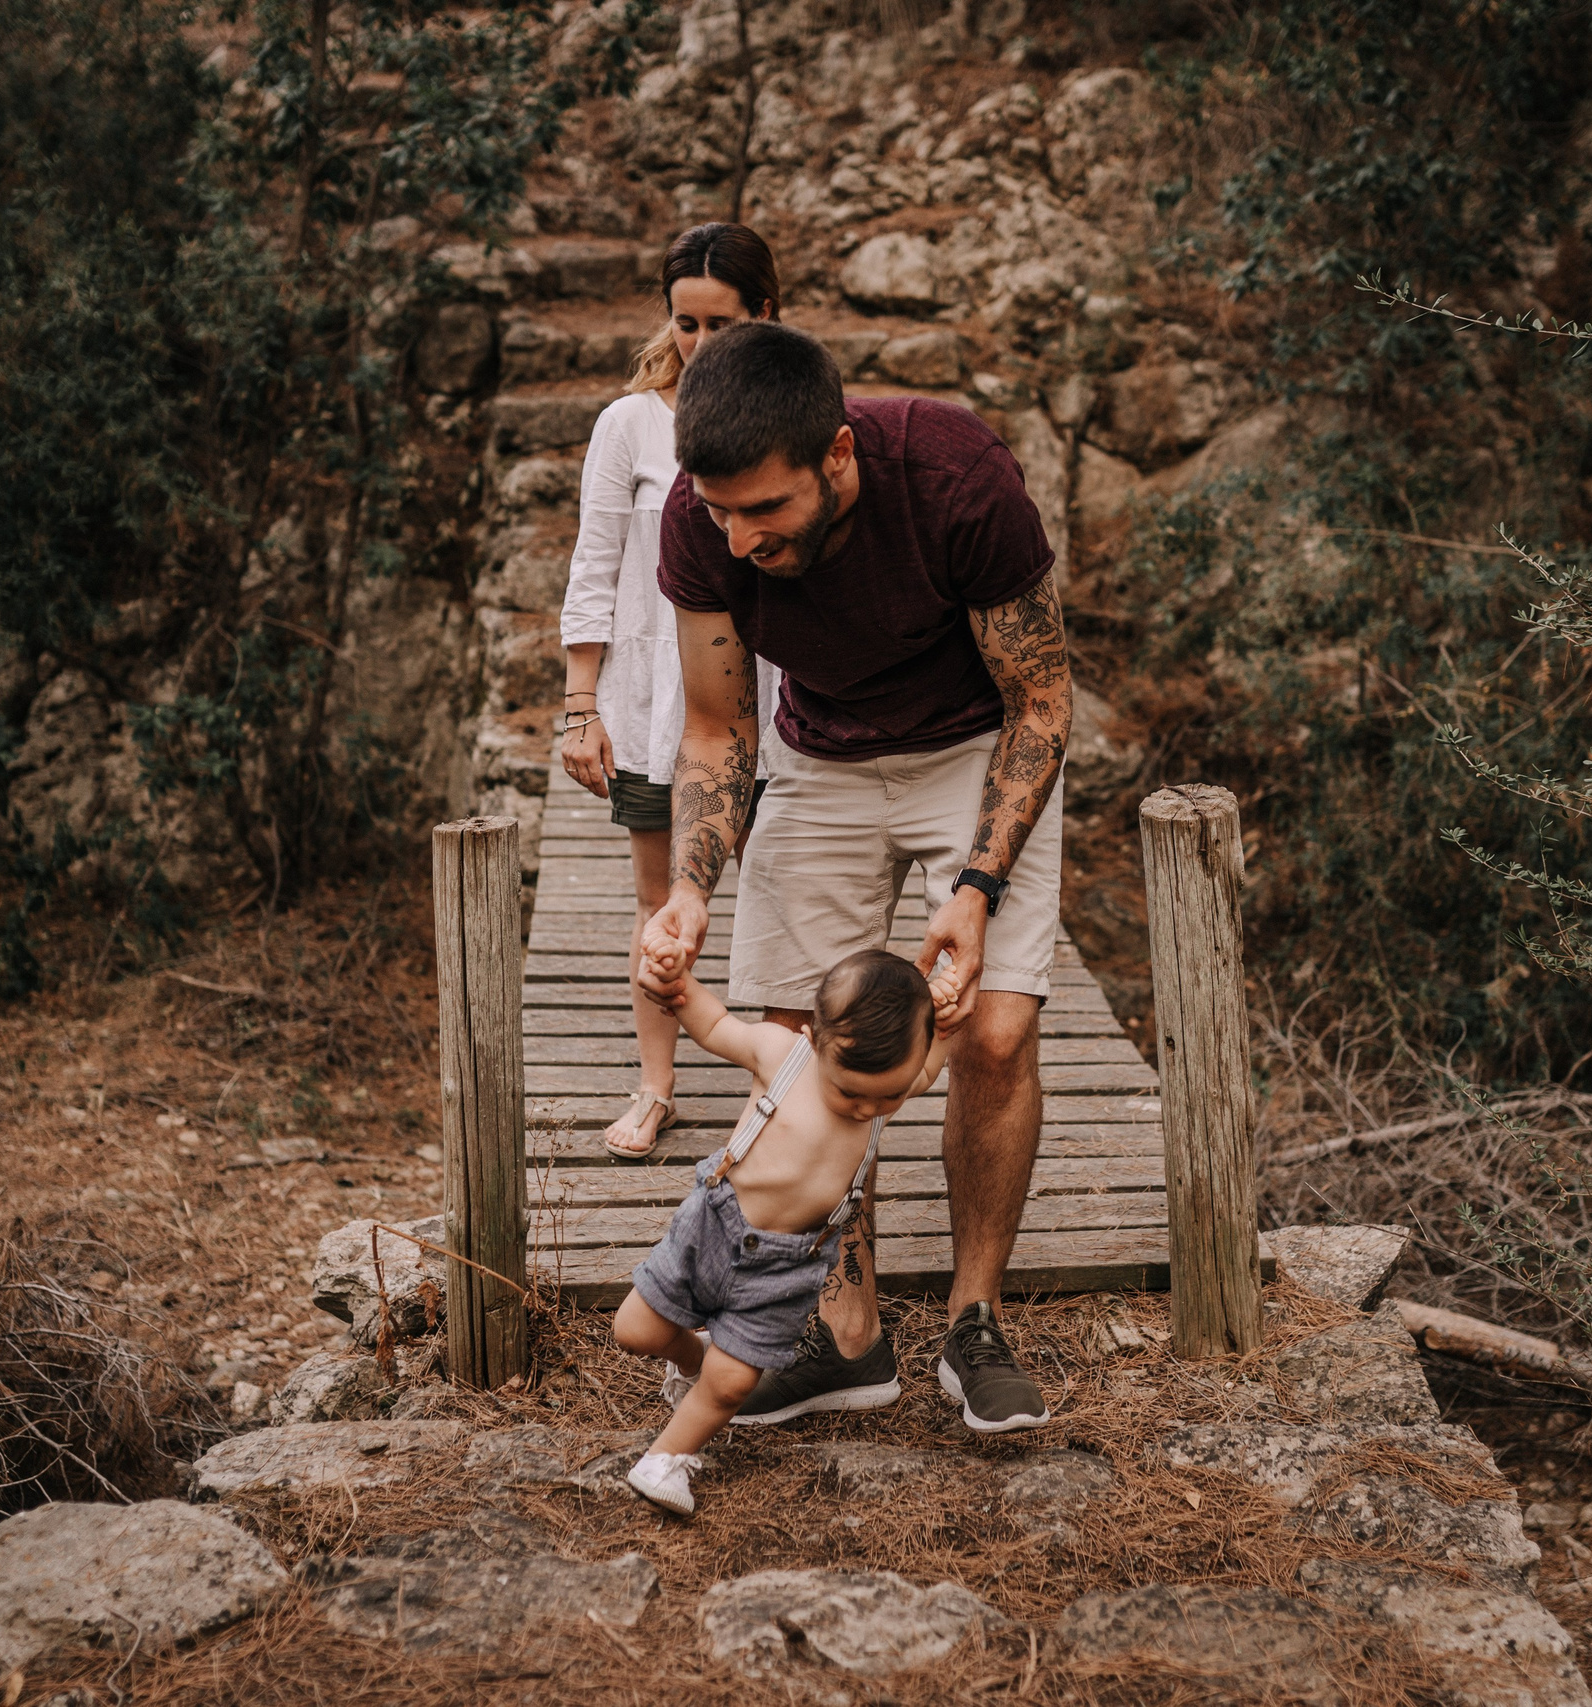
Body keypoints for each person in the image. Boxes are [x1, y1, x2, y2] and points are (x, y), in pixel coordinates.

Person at [637, 321, 1075, 1435]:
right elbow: (713, 727)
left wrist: (973, 887)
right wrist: (687, 892)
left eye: (764, 511)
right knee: (796, 1037)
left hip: (974, 744)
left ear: (837, 456)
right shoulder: (699, 524)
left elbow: (1041, 702)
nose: (735, 539)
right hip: (816, 757)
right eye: (719, 511)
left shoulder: (956, 477)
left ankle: (973, 1324)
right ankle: (843, 1336)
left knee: (991, 1031)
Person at [559, 223, 784, 1160]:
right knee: (661, 901)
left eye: (721, 324)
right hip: (658, 705)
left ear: (766, 314)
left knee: (780, 899)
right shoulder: (631, 424)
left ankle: (775, 1095)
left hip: (779, 703)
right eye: (685, 324)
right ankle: (656, 1086)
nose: (699, 345)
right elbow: (596, 562)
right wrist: (581, 703)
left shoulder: (795, 413)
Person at [613, 948, 958, 1515]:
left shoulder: (886, 1081)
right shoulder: (783, 1055)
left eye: (888, 1097)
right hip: (714, 1226)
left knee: (733, 1383)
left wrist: (943, 1021)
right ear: (815, 1037)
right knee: (635, 1330)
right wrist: (676, 984)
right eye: (851, 1093)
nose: (869, 1108)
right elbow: (716, 1024)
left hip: (790, 1264)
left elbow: (922, 1069)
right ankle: (693, 1358)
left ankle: (665, 1459)